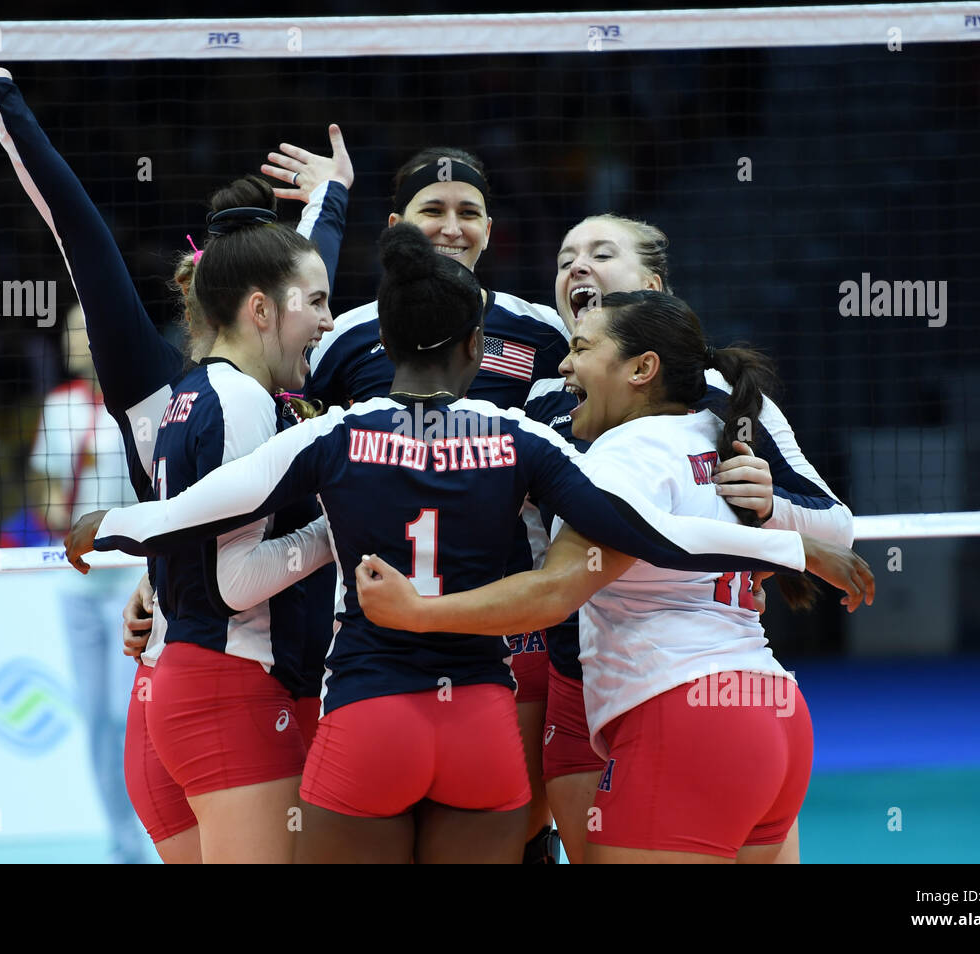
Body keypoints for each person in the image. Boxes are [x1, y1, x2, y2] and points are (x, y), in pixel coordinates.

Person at [64, 226, 866, 864]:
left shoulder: (338, 433)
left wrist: (116, 529)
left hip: (369, 712)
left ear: (382, 345)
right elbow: (642, 531)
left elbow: (208, 507)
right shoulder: (523, 436)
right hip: (481, 724)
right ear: (478, 350)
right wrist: (795, 552)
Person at [0, 29, 350, 863]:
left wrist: (331, 204)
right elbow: (80, 234)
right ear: (257, 304)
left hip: (167, 688)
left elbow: (86, 235)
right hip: (243, 691)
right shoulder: (240, 393)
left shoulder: (222, 387)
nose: (324, 316)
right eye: (309, 301)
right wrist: (0, 98)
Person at [355, 289, 874, 863]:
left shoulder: (625, 453)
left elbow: (556, 590)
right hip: (772, 709)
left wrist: (420, 613)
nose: (563, 364)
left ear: (641, 369)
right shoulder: (711, 433)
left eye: (581, 347)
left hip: (686, 716)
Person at [264, 144, 568, 860]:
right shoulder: (346, 337)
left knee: (523, 831)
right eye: (434, 211)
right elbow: (279, 440)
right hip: (373, 632)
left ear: (492, 227)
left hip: (510, 627)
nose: (453, 227)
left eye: (470, 212)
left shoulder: (540, 334)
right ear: (401, 222)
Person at [523, 212, 856, 863]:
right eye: (565, 257)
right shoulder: (544, 401)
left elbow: (837, 529)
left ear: (651, 285)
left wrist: (772, 508)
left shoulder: (719, 401)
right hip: (586, 679)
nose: (577, 267)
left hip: (680, 686)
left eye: (600, 253)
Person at [24, 302, 146, 864]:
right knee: (96, 718)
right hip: (77, 583)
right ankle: (123, 843)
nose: (71, 339)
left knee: (126, 717)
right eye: (69, 329)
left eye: (81, 328)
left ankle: (153, 830)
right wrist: (58, 515)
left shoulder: (144, 404)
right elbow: (44, 484)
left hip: (129, 579)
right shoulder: (60, 407)